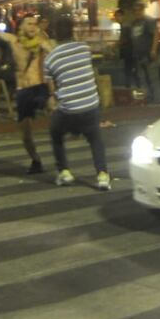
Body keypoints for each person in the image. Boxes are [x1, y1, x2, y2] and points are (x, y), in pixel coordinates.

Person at [44, 16, 110, 190]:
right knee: (95, 139)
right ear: (72, 31)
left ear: (55, 34)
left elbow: (52, 89)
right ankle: (102, 175)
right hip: (91, 105)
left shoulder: (50, 59)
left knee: (56, 133)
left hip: (68, 110)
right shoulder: (84, 49)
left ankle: (64, 171)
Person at [0, 15, 53, 174]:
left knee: (54, 111)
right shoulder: (13, 40)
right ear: (21, 26)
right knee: (25, 133)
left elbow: (55, 54)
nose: (32, 26)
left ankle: (61, 154)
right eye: (29, 23)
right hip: (23, 90)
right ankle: (36, 160)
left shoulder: (41, 42)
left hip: (39, 87)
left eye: (34, 24)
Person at [130, 0, 160, 105]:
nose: (137, 12)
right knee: (142, 78)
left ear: (143, 10)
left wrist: (153, 49)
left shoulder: (149, 21)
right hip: (138, 55)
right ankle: (147, 98)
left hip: (149, 54)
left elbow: (156, 35)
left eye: (139, 10)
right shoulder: (134, 23)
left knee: (153, 78)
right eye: (135, 10)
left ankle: (157, 99)